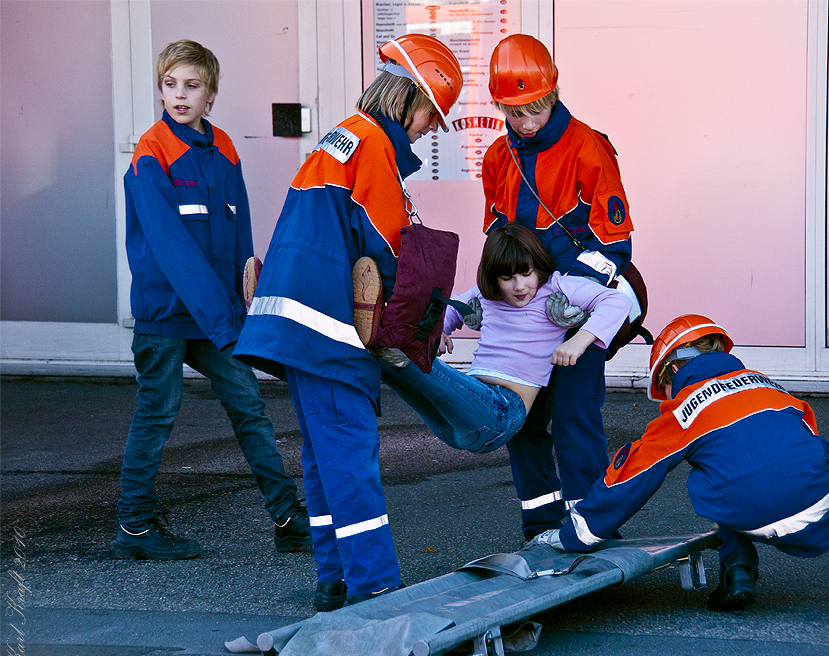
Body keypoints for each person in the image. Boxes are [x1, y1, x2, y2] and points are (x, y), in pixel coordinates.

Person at [528, 314, 829, 619]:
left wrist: (576, 536)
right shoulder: (770, 388)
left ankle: (738, 574)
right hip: (819, 495)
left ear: (670, 374)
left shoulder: (682, 410)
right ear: (722, 350)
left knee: (723, 474)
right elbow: (806, 443)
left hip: (747, 513)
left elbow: (630, 476)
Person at [234, 35, 464, 611]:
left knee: (324, 461)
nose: (429, 131)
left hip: (300, 328)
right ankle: (375, 587)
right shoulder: (374, 152)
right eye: (430, 118)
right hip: (332, 333)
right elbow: (389, 253)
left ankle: (335, 580)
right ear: (409, 99)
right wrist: (433, 316)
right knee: (352, 462)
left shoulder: (341, 140)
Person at [114, 40, 310, 561]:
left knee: (248, 406)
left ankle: (289, 518)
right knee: (158, 412)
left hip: (218, 316)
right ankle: (134, 526)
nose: (179, 95)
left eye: (191, 85)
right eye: (170, 84)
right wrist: (226, 321)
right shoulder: (150, 153)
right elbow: (172, 249)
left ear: (211, 94)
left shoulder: (224, 148)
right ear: (160, 88)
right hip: (166, 313)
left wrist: (246, 305)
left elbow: (239, 234)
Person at [481, 34, 636, 541]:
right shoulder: (497, 158)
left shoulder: (590, 149)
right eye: (512, 111)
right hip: (522, 317)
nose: (524, 122)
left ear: (553, 93)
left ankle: (589, 524)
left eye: (533, 110)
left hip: (576, 314)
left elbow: (615, 247)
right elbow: (497, 241)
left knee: (574, 421)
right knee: (521, 424)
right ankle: (541, 525)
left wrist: (571, 306)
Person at [380, 222, 631, 454]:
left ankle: (393, 342)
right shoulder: (485, 295)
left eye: (526, 274)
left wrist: (579, 341)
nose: (520, 286)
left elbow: (616, 300)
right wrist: (440, 329)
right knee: (385, 362)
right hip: (456, 424)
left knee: (408, 357)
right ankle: (377, 343)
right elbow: (451, 308)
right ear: (494, 278)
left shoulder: (556, 286)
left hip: (501, 412)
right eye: (507, 278)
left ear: (538, 267)